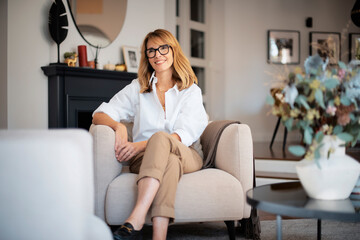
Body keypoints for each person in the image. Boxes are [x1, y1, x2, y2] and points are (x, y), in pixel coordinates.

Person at [92, 29, 208, 240]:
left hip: (187, 153)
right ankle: (159, 237)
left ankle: (136, 217)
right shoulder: (138, 88)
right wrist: (118, 126)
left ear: (173, 50)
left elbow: (184, 134)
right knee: (170, 162)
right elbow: (99, 115)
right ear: (147, 56)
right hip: (144, 160)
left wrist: (138, 145)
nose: (157, 54)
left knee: (162, 140)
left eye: (163, 48)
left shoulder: (190, 90)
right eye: (151, 51)